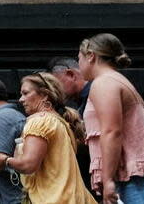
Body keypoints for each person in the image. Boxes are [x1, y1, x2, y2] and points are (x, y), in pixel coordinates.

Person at [78, 33, 144, 204]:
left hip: (139, 183)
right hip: (141, 182)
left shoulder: (103, 82)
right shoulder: (118, 80)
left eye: (79, 58)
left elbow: (112, 131)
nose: (78, 65)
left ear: (91, 56)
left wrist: (107, 180)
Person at [0, 73, 95, 204]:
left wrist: (4, 160)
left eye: (26, 93)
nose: (21, 99)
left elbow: (28, 164)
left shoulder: (40, 122)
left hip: (53, 199)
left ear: (44, 95)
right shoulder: (60, 121)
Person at [48, 56, 96, 198]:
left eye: (56, 84)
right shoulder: (84, 100)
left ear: (71, 75)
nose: (54, 91)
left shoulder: (95, 94)